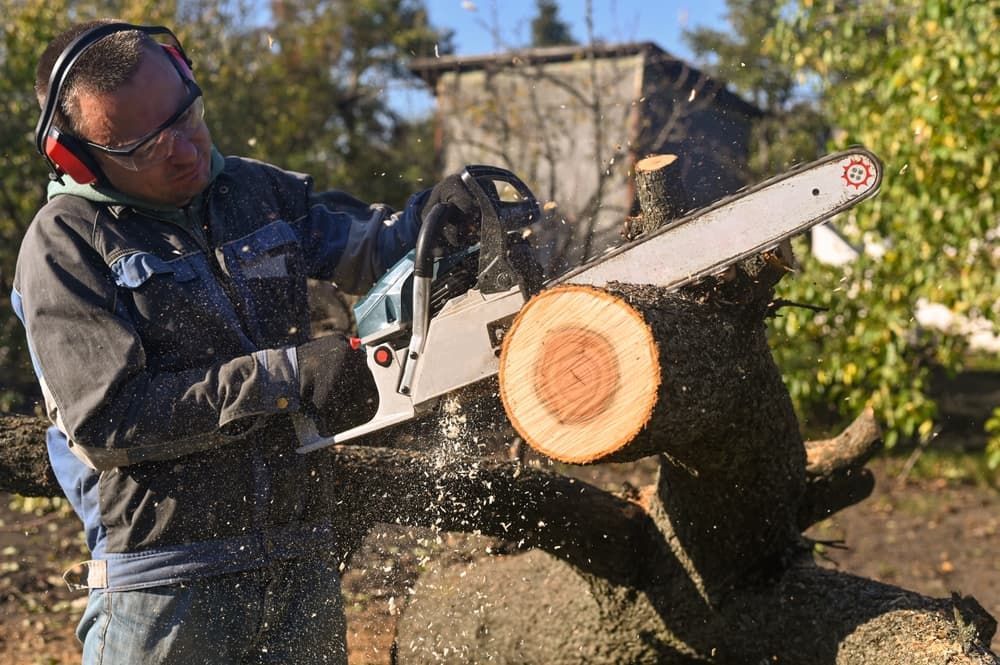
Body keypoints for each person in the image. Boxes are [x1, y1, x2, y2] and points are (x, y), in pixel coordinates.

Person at [13, 19, 482, 665]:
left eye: (187, 117)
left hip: (300, 560)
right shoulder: (68, 242)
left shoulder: (255, 192)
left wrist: (435, 217)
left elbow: (366, 247)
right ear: (80, 157)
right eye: (144, 146)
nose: (184, 149)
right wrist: (284, 378)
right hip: (167, 586)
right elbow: (107, 420)